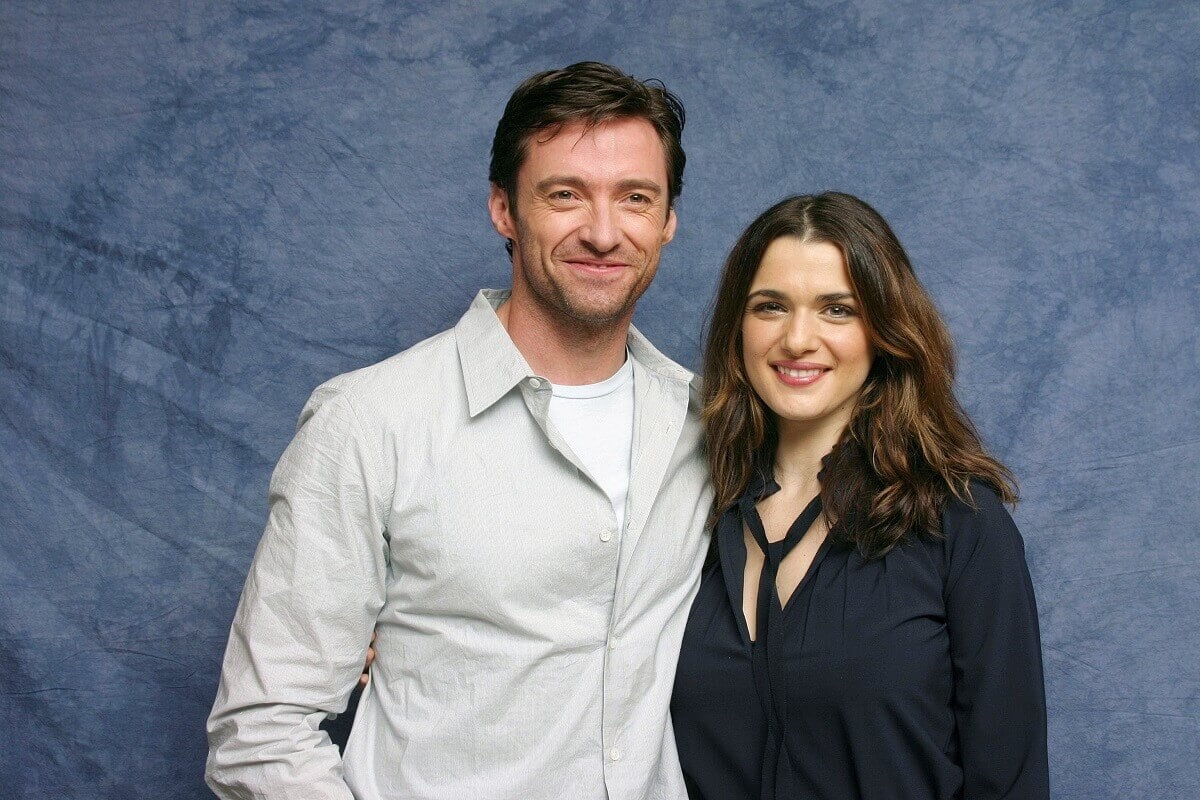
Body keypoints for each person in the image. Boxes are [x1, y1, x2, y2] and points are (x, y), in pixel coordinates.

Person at [206, 62, 713, 800]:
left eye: (635, 198)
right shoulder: (370, 421)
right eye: (564, 194)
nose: (603, 232)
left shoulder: (707, 426)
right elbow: (260, 727)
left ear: (667, 220)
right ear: (504, 210)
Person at [670, 193, 1049, 799]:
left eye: (837, 310)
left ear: (884, 329)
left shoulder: (959, 522)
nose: (798, 338)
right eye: (770, 306)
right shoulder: (689, 506)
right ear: (737, 327)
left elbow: (1010, 779)